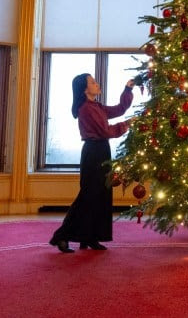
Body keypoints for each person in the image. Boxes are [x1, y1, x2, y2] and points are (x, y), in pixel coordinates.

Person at [49, 73, 135, 253]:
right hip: (94, 153)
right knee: (88, 197)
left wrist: (127, 89)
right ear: (85, 89)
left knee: (101, 196)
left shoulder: (96, 106)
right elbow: (106, 131)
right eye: (93, 82)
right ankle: (61, 236)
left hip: (101, 151)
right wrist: (127, 125)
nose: (97, 84)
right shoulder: (86, 109)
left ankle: (90, 237)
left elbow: (119, 109)